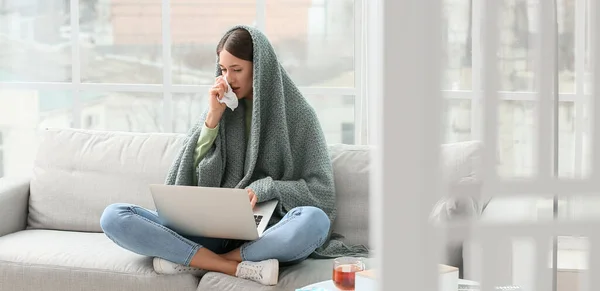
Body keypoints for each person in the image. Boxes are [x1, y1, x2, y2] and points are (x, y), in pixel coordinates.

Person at [99, 25, 367, 286]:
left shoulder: (300, 117)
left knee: (314, 221)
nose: (229, 79)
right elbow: (182, 180)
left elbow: (321, 193)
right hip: (208, 230)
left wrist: (266, 188)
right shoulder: (218, 110)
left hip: (266, 232)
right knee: (114, 216)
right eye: (224, 70)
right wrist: (213, 119)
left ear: (260, 69)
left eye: (237, 70)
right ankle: (231, 266)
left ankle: (196, 260)